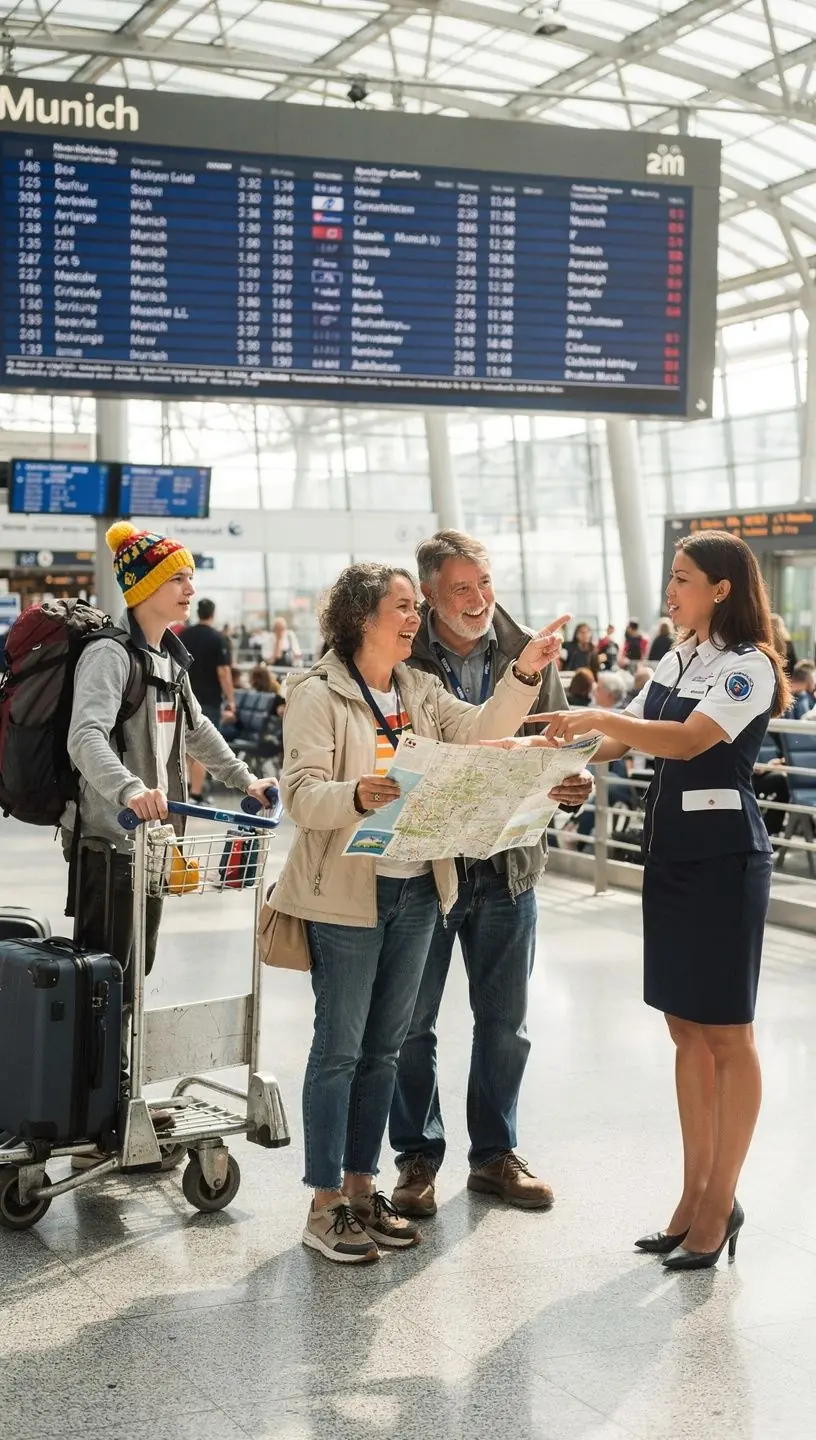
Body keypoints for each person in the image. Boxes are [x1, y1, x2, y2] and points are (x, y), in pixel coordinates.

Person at [499, 530, 790, 1270]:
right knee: (685, 1031)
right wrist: (548, 746)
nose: (671, 590)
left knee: (728, 1033)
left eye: (683, 578)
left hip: (724, 862)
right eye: (671, 576)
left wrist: (601, 719)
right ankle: (695, 1196)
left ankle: (720, 1203)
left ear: (722, 587)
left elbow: (688, 742)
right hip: (670, 856)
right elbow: (621, 743)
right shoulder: (678, 656)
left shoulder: (745, 668)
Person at [272, 561, 569, 1263]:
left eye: (413, 607)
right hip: (347, 894)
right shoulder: (319, 694)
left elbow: (484, 732)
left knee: (383, 1050)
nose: (414, 619)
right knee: (339, 1050)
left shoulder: (419, 688)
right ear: (360, 619)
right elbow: (301, 796)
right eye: (402, 608)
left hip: (415, 891)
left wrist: (525, 671)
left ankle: (360, 1188)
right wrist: (358, 794)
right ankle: (322, 1206)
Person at [389, 530, 593, 1217]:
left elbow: (556, 744)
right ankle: (417, 1157)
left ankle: (494, 1155)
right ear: (428, 596)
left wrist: (574, 785)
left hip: (509, 866)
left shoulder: (527, 651)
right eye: (460, 590)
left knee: (504, 1021)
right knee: (410, 1024)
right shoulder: (401, 654)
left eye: (484, 584)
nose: (478, 601)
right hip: (428, 867)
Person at [63, 522, 274, 1162]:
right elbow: (85, 736)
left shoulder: (169, 658)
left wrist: (245, 781)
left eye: (188, 577)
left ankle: (118, 1100)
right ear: (146, 586)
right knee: (107, 980)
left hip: (153, 849)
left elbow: (199, 732)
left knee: (134, 974)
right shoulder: (109, 654)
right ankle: (92, 1112)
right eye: (178, 578)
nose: (190, 587)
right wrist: (129, 790)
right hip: (109, 845)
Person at [180, 598, 236, 803]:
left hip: (184, 696)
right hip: (209, 698)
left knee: (186, 745)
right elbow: (223, 672)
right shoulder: (217, 638)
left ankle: (188, 788)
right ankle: (196, 792)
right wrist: (231, 699)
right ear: (212, 614)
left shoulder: (185, 635)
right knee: (202, 746)